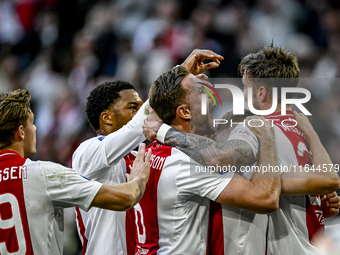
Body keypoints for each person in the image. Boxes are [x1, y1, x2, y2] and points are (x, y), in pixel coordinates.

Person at [143, 46, 340, 255]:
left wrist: (161, 130)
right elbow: (329, 179)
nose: (242, 93)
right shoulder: (303, 129)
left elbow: (222, 159)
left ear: (261, 93)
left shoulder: (253, 129)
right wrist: (314, 201)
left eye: (245, 87)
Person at [71, 49, 225, 255]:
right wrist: (178, 75)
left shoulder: (145, 155)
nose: (142, 113)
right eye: (132, 107)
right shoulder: (87, 153)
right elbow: (136, 126)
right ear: (107, 118)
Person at [132, 65, 281, 254]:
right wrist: (267, 137)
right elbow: (266, 199)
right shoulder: (190, 162)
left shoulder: (149, 153)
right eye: (199, 92)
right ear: (185, 112)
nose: (210, 95)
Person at [0, 89, 151, 255]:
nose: (35, 129)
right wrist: (139, 178)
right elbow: (125, 198)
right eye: (32, 123)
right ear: (21, 131)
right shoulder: (42, 174)